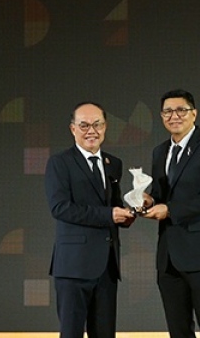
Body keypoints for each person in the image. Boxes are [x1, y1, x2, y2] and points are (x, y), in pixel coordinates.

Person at [142, 89, 200, 338]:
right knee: (178, 329)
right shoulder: (160, 152)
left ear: (194, 114)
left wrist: (169, 210)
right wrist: (149, 200)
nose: (174, 116)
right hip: (168, 256)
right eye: (168, 111)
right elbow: (162, 195)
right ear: (161, 116)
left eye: (181, 110)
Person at [45, 101, 136, 338]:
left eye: (97, 124)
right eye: (84, 125)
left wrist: (129, 214)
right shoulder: (60, 163)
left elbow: (113, 205)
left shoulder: (113, 163)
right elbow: (60, 208)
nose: (91, 131)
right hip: (73, 267)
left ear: (105, 127)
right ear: (72, 129)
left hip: (107, 266)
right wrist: (109, 215)